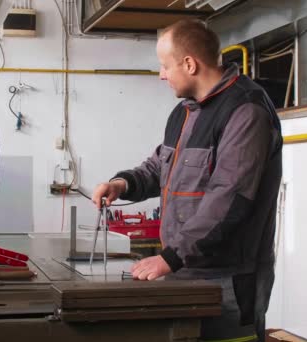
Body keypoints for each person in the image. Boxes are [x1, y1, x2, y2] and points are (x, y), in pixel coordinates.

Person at [92, 19, 282, 341]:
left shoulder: (245, 111)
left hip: (228, 280)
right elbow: (159, 167)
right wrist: (121, 184)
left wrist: (170, 257)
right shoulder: (184, 112)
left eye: (165, 66)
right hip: (185, 270)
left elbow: (229, 200)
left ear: (190, 64)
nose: (162, 74)